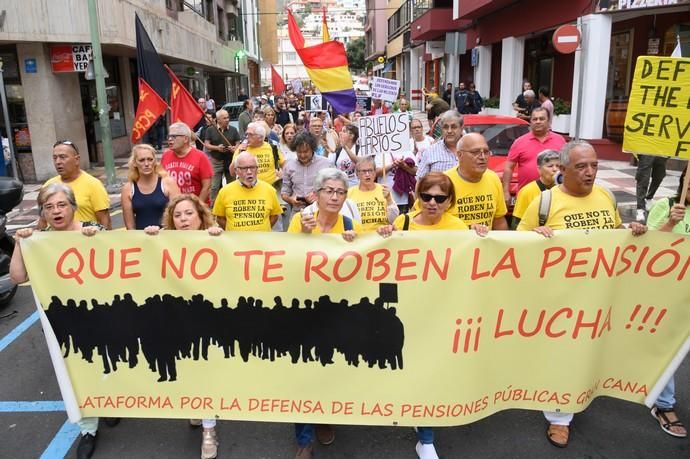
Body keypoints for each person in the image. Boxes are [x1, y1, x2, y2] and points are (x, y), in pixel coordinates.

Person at [517, 140, 647, 448]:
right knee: (563, 356)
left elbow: (615, 237)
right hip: (560, 298)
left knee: (591, 351)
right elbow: (517, 244)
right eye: (581, 167)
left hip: (600, 294)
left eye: (594, 166)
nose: (590, 173)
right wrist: (536, 237)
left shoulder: (606, 196)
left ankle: (583, 393)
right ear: (562, 170)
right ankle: (559, 418)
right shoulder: (545, 202)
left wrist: (632, 232)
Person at [376, 172, 487, 459]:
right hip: (409, 310)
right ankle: (423, 429)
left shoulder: (459, 227)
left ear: (450, 201)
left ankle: (425, 435)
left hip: (442, 311)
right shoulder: (404, 223)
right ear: (417, 197)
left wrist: (481, 236)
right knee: (413, 367)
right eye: (426, 196)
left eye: (440, 198)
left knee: (431, 369)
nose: (432, 203)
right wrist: (385, 235)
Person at [11, 183, 108, 459]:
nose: (56, 211)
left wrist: (97, 239)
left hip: (100, 316)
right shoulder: (38, 241)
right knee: (74, 371)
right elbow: (18, 277)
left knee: (105, 363)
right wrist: (21, 243)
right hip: (62, 323)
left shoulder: (92, 230)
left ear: (73, 207)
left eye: (61, 205)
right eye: (49, 207)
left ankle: (109, 403)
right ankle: (88, 428)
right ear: (42, 212)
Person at [143, 194, 222, 459]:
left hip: (205, 322)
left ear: (201, 217)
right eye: (177, 215)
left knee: (204, 371)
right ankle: (195, 406)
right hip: (175, 320)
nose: (183, 219)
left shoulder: (215, 239)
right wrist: (150, 237)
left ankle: (209, 430)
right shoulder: (162, 242)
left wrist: (218, 238)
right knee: (184, 368)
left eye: (189, 214)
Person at [645, 174, 689, 439]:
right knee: (668, 350)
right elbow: (649, 248)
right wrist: (672, 221)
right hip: (668, 294)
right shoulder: (666, 206)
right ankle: (665, 405)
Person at [40, 140, 111, 230]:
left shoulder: (93, 184)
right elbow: (42, 221)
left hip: (86, 240)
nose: (58, 162)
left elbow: (105, 222)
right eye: (55, 158)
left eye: (63, 157)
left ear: (76, 159)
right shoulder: (48, 186)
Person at [502, 107, 566, 204]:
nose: (538, 121)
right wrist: (505, 191)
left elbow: (567, 166)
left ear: (549, 121)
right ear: (530, 122)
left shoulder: (560, 140)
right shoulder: (519, 142)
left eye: (541, 119)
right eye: (535, 119)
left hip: (555, 197)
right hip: (527, 197)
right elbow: (508, 167)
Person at [445, 132, 508, 229]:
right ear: (460, 155)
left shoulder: (493, 178)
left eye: (486, 152)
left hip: (485, 243)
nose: (482, 157)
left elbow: (499, 220)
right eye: (475, 152)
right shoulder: (444, 182)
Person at [212, 152, 282, 231]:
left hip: (261, 241)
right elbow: (220, 218)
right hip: (235, 241)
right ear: (236, 170)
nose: (249, 172)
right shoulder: (224, 192)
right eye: (244, 168)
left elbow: (274, 216)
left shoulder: (269, 190)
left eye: (252, 167)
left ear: (257, 169)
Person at [121, 144, 180, 230]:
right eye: (141, 160)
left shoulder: (168, 183)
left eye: (150, 159)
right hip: (141, 239)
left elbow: (178, 213)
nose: (146, 164)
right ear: (134, 163)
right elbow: (130, 226)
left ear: (155, 161)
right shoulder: (128, 188)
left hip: (165, 236)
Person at [281, 132, 331, 219]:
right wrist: (291, 200)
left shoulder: (326, 164)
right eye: (299, 152)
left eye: (305, 151)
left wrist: (318, 196)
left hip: (321, 212)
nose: (302, 155)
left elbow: (334, 187)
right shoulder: (289, 166)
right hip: (298, 213)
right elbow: (284, 192)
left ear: (312, 149)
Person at [161, 122, 213, 204]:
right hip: (172, 209)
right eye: (169, 136)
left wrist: (197, 207)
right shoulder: (165, 156)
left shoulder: (201, 157)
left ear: (185, 139)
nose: (170, 139)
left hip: (196, 208)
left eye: (174, 136)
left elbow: (207, 187)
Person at [510, 149, 560, 229]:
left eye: (558, 166)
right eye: (550, 166)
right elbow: (517, 224)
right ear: (539, 169)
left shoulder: (565, 189)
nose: (555, 169)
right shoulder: (527, 191)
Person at [348, 156, 399, 231]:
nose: (367, 174)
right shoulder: (349, 193)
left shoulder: (384, 190)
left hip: (382, 236)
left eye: (370, 170)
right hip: (360, 238)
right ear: (357, 174)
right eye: (364, 171)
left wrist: (389, 200)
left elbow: (394, 219)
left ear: (375, 173)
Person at [232, 122, 284, 189]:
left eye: (250, 134)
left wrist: (282, 175)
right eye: (246, 134)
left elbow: (284, 164)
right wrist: (240, 154)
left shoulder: (271, 147)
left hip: (269, 189)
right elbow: (232, 172)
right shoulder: (241, 148)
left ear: (260, 137)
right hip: (248, 189)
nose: (247, 137)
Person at [204, 109, 241, 202]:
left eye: (228, 117)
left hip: (230, 161)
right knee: (214, 186)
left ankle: (231, 203)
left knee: (231, 185)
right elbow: (207, 144)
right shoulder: (210, 130)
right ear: (218, 120)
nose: (227, 119)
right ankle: (213, 208)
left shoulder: (233, 129)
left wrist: (235, 148)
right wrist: (217, 148)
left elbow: (238, 143)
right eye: (224, 118)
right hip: (216, 161)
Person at [417, 110, 462, 179]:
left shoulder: (473, 150)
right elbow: (420, 181)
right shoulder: (430, 152)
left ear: (461, 128)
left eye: (453, 127)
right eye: (445, 127)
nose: (449, 131)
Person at [635, 154, 668, 222]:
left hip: (661, 149)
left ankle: (649, 197)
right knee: (643, 179)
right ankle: (640, 208)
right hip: (646, 149)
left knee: (659, 175)